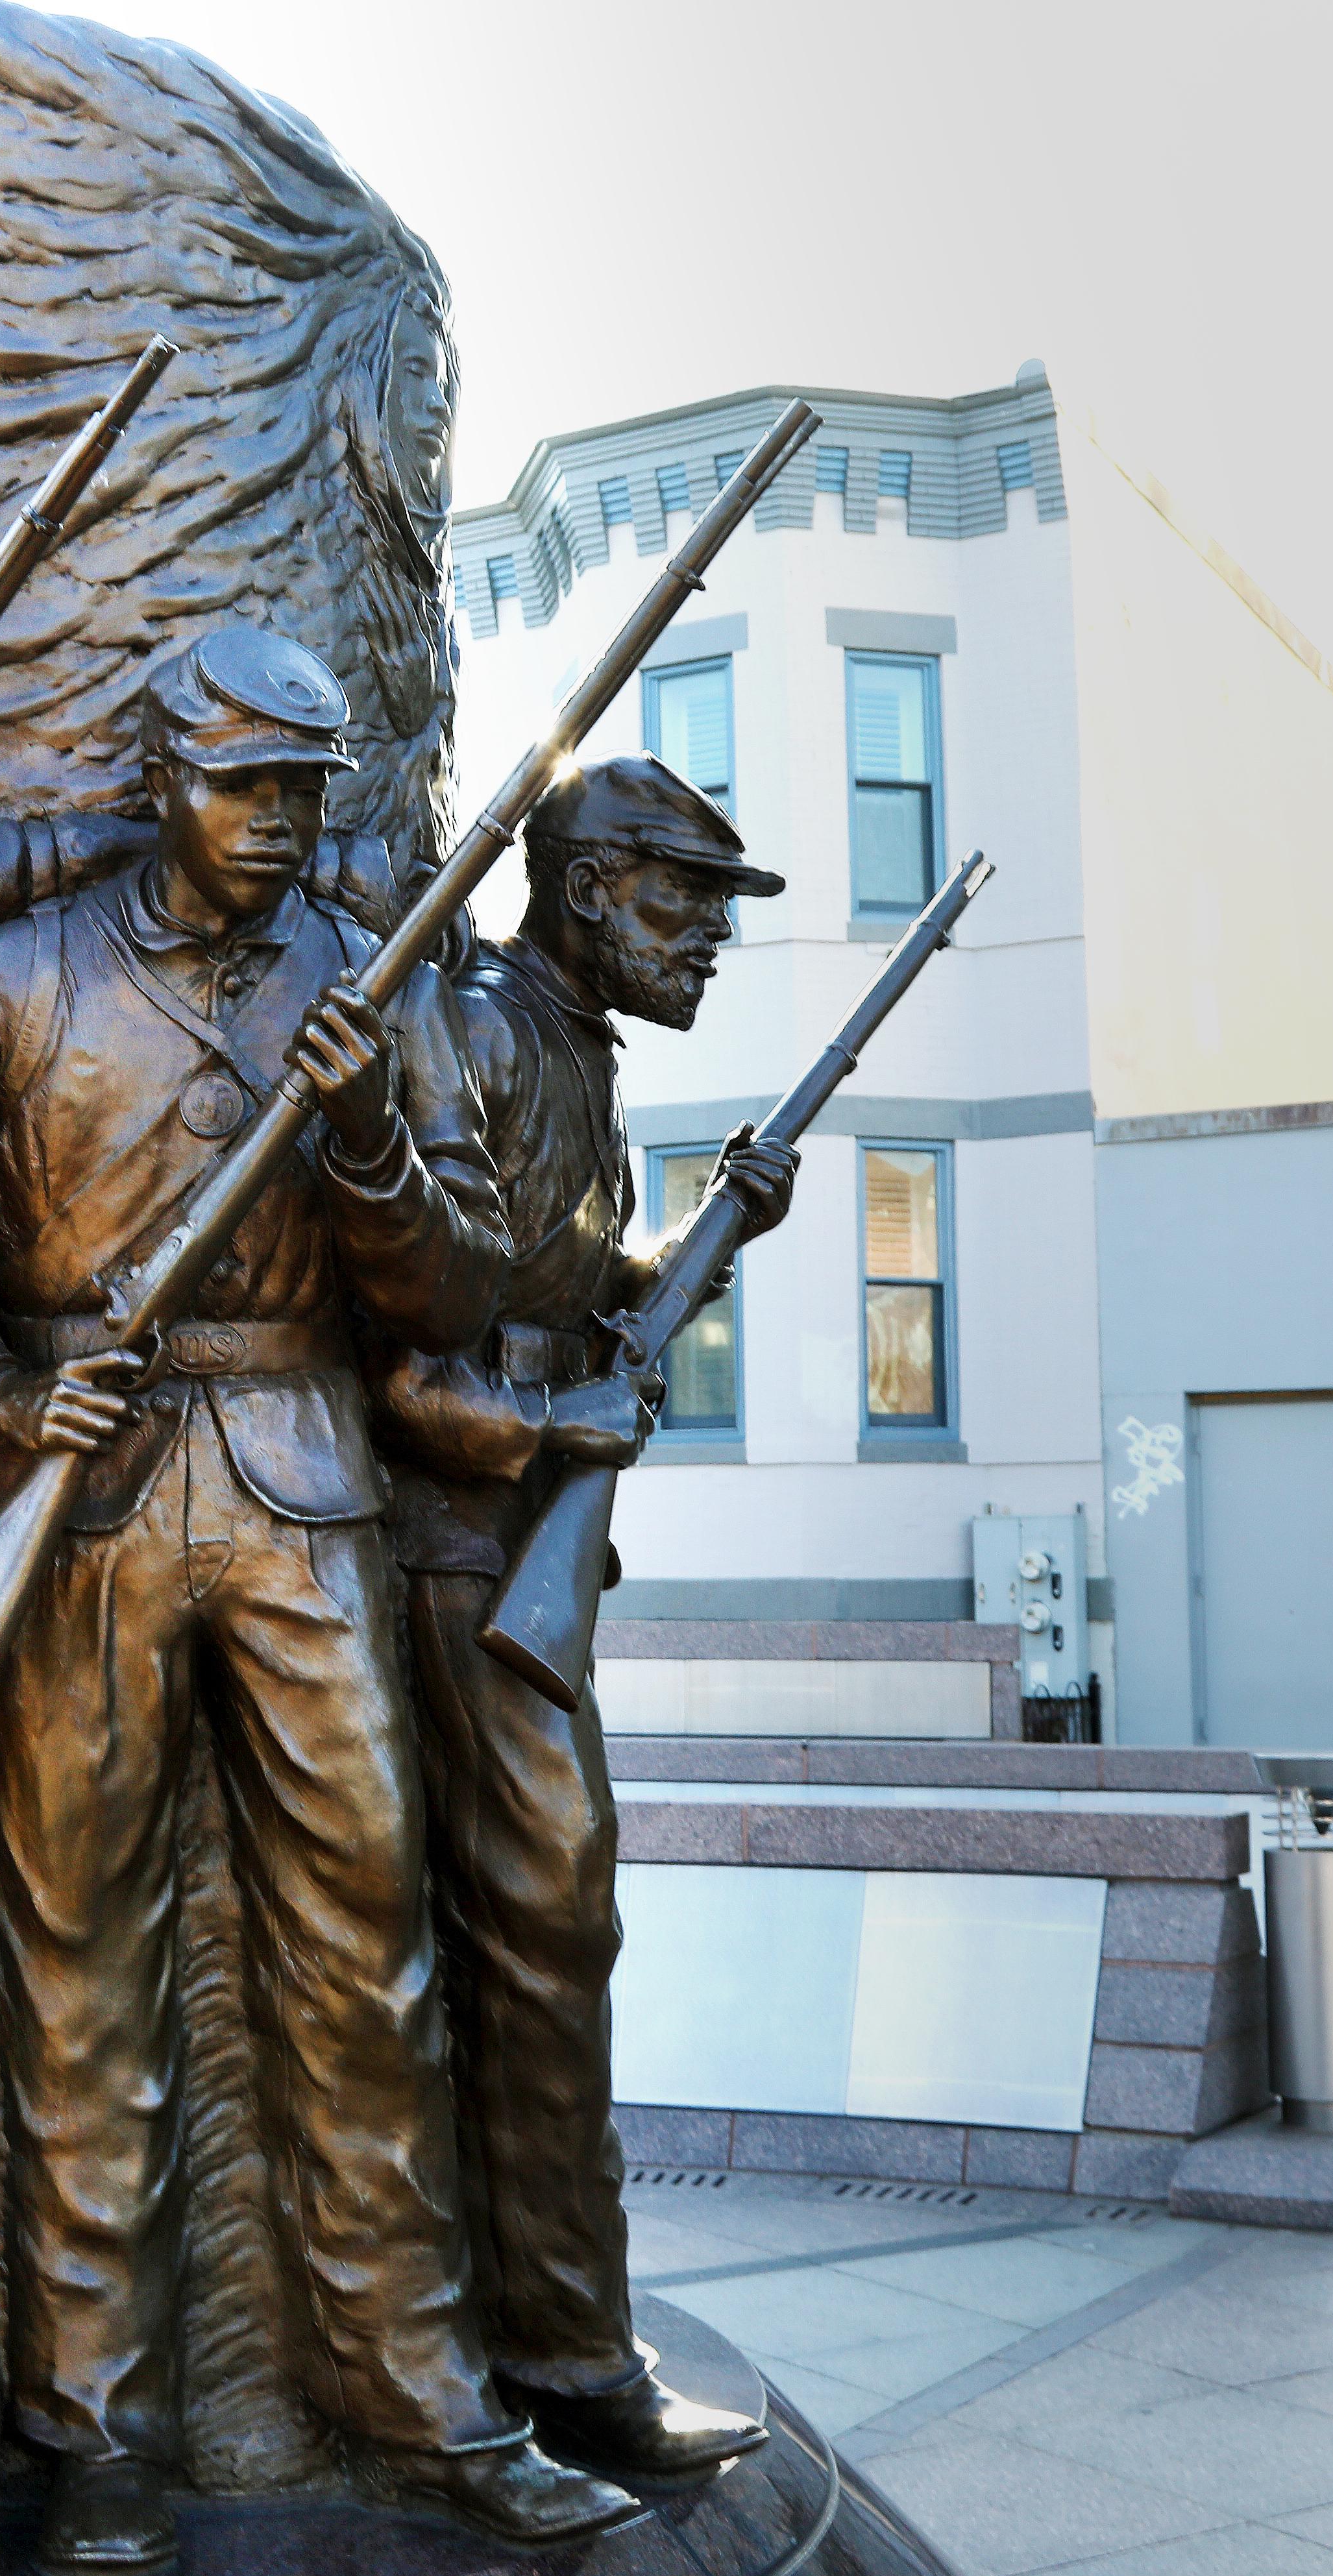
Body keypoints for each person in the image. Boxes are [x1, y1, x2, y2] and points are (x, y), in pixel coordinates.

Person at [0, 626, 645, 2575]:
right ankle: (98, 2430)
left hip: (306, 1483)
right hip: (96, 1486)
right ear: (163, 775)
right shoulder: (5, 986)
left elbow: (447, 1292)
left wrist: (373, 1142)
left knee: (371, 1946)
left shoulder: (355, 979)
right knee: (83, 1974)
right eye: (247, 786)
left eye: (307, 791)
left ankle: (427, 2388)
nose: (284, 825)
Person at [372, 754, 795, 2483]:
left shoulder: (567, 1055)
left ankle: (540, 2328)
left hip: (514, 1541)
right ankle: (556, 2351)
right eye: (686, 904)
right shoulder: (478, 1036)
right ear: (591, 883)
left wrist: (703, 1239)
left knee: (541, 1942)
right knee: (539, 1940)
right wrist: (546, 1429)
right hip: (459, 1548)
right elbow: (398, 1350)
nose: (706, 945)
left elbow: (557, 1286)